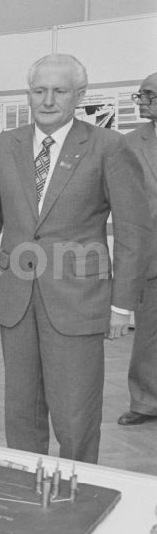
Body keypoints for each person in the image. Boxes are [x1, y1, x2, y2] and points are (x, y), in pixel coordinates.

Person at [0, 54, 150, 463]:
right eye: (39, 90)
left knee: (75, 414)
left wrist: (122, 305)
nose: (48, 100)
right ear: (29, 93)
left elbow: (133, 232)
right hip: (15, 297)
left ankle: (78, 491)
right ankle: (25, 481)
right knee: (21, 409)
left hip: (78, 300)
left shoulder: (108, 147)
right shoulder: (4, 145)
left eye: (60, 91)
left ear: (79, 95)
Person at [118, 72, 157, 426]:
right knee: (148, 333)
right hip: (151, 254)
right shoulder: (130, 143)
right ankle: (146, 402)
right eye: (140, 94)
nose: (140, 100)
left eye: (147, 94)